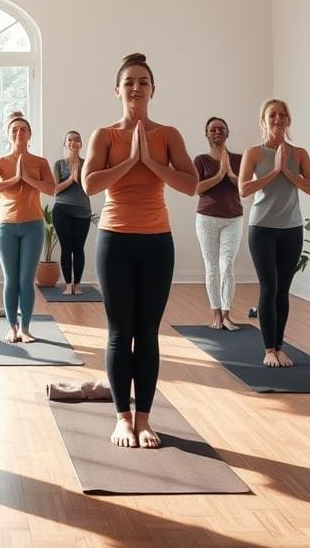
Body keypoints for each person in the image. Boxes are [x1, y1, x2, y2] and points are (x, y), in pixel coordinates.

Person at [82, 53, 197, 449]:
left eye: (143, 82)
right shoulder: (104, 135)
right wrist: (131, 159)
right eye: (129, 81)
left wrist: (150, 159)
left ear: (152, 90)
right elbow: (90, 185)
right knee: (119, 332)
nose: (136, 87)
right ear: (118, 90)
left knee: (147, 333)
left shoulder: (168, 135)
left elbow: (190, 184)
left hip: (156, 242)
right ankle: (121, 418)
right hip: (115, 240)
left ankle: (145, 419)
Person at [239, 99, 310, 368]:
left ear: (288, 120)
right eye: (272, 115)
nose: (278, 119)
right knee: (269, 286)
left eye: (282, 115)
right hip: (261, 228)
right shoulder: (254, 153)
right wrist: (274, 171)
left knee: (282, 289)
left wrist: (287, 171)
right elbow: (244, 189)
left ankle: (280, 346)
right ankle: (268, 349)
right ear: (264, 120)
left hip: (291, 228)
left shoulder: (300, 154)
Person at [0, 111, 56, 343]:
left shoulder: (40, 162)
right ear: (8, 135)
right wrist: (14, 179)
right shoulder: (0, 162)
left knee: (26, 279)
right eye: (14, 130)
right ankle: (12, 328)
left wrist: (27, 177)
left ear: (30, 134)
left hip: (32, 225)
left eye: (23, 129)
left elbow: (51, 189)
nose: (19, 133)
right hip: (6, 226)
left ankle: (25, 328)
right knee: (11, 279)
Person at [194, 116, 244, 331]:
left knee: (227, 266)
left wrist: (230, 174)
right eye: (213, 129)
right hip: (207, 218)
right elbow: (196, 188)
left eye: (221, 129)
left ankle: (226, 314)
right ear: (206, 134)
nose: (217, 132)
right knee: (212, 267)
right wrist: (219, 175)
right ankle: (215, 314)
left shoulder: (239, 159)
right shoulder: (201, 160)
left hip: (233, 218)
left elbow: (243, 187)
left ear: (227, 133)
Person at [52, 130, 92, 295]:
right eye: (70, 140)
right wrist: (71, 179)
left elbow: (91, 188)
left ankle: (77, 284)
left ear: (81, 144)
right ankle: (68, 284)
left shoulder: (88, 163)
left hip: (82, 211)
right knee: (66, 248)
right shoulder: (59, 164)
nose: (73, 143)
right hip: (62, 210)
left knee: (79, 248)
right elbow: (54, 190)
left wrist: (79, 179)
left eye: (77, 140)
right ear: (65, 143)